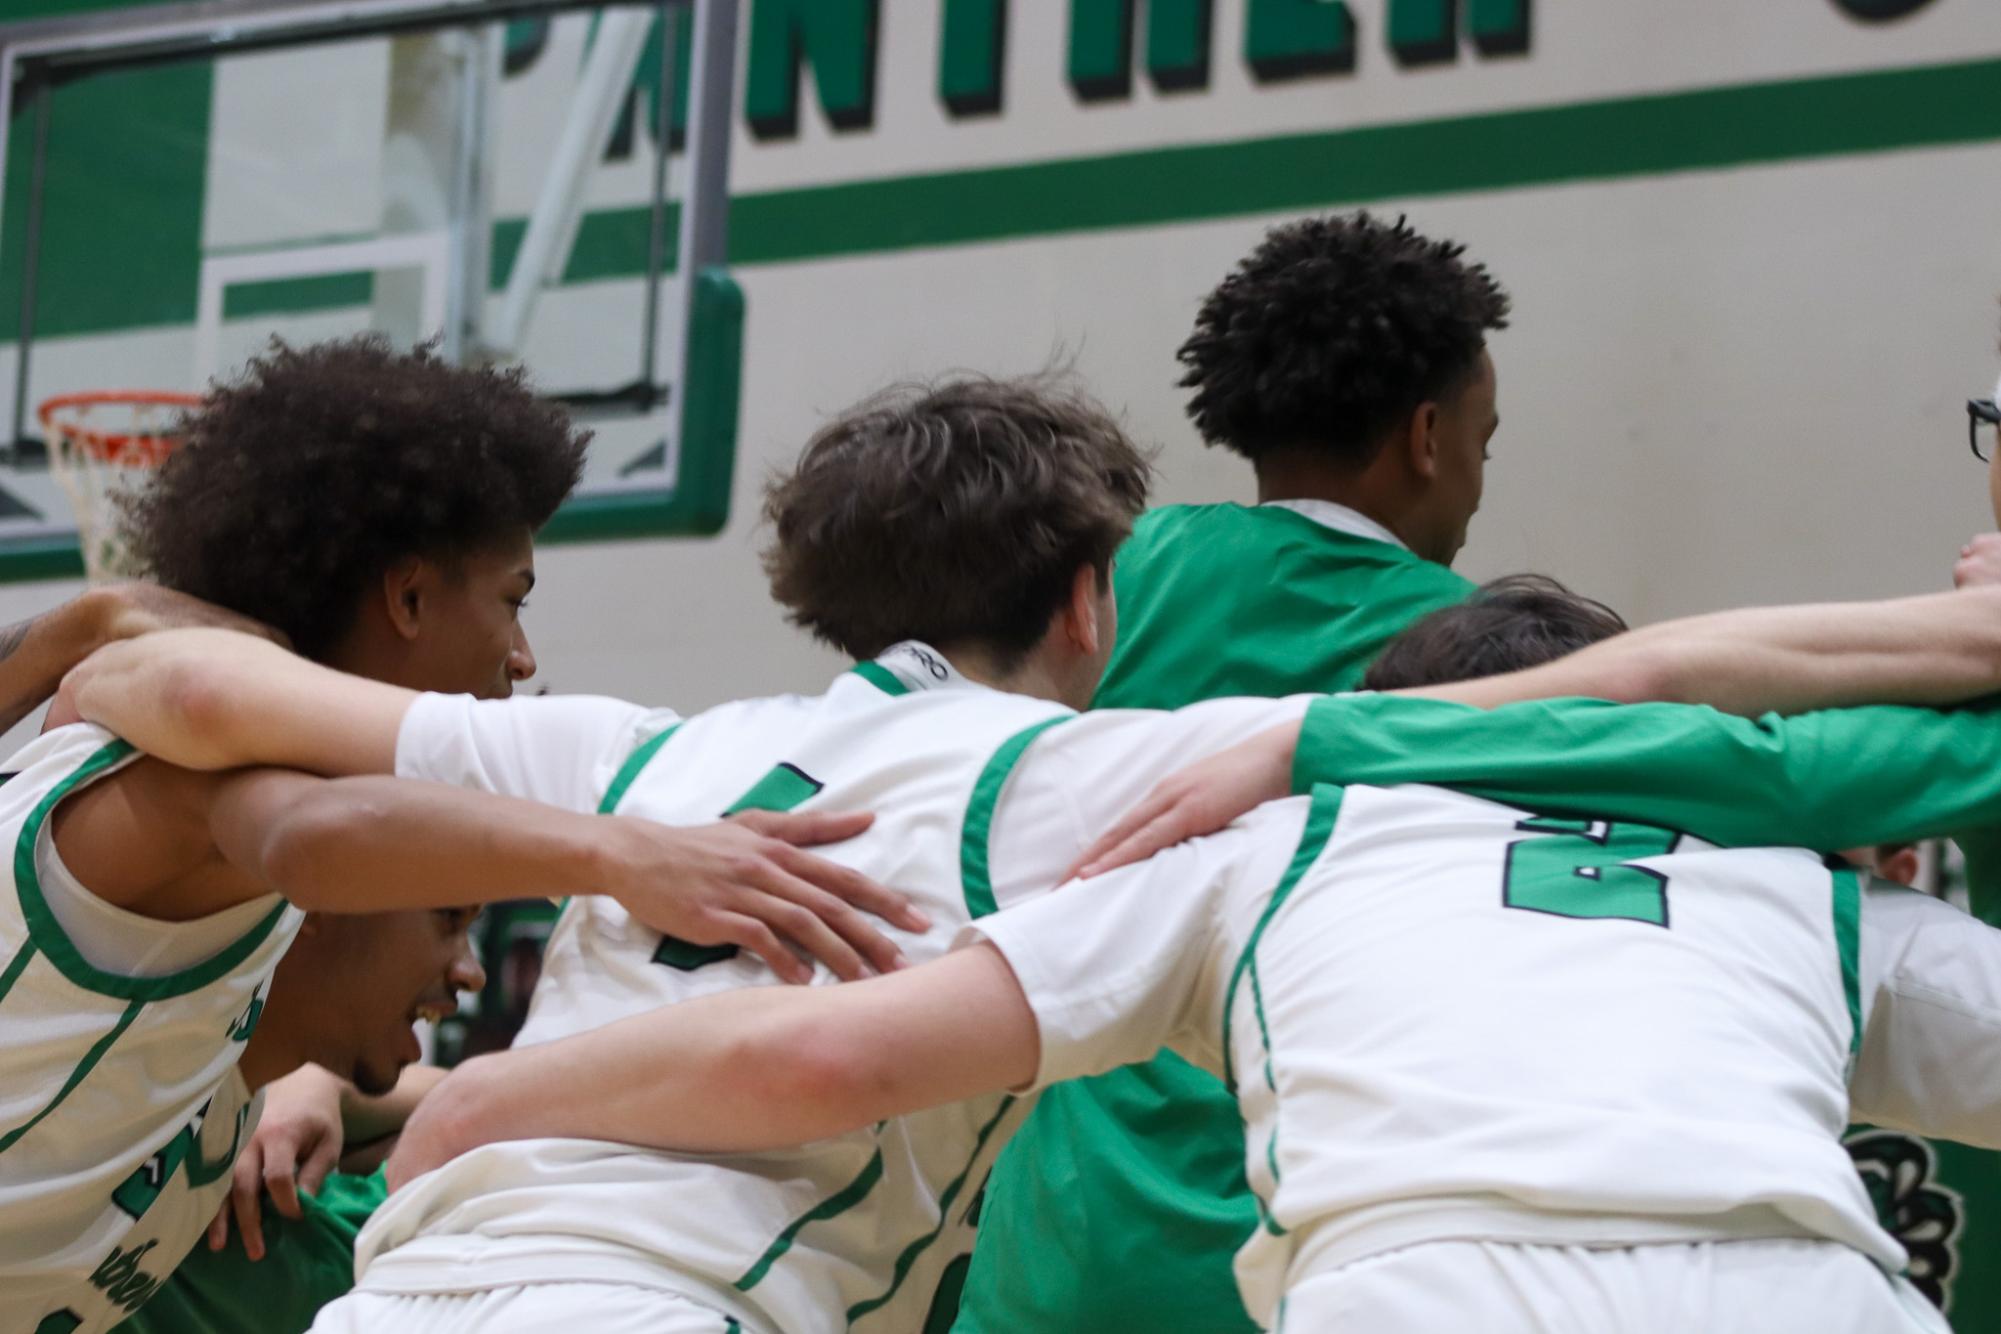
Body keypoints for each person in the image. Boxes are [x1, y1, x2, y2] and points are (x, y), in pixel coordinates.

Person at [67, 378, 2001, 1331]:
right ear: (1095, 599)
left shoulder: (634, 748)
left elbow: (177, 678)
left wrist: (573, 895)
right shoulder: (1119, 776)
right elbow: (1639, 684)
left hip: (411, 1296)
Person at [380, 576, 2001, 1333]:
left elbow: (826, 1054)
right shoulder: (1799, 875)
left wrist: (496, 1088)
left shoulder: (1267, 837)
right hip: (1807, 1289)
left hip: (1439, 1285)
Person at [0, 338, 906, 1334]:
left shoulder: (140, 772)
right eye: (512, 598)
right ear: (411, 594)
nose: (522, 656)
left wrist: (83, 624)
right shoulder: (193, 761)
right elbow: (298, 823)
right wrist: (625, 850)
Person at [963, 209, 1510, 1334]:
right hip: (1310, 1254)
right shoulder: (1497, 656)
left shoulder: (1113, 575)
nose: (1477, 479)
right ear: (1425, 435)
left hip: (1054, 1251)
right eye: (1484, 440)